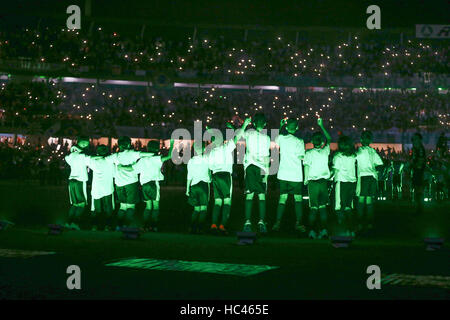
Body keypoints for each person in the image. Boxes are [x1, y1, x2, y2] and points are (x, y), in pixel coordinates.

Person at [207, 118, 251, 235]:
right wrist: (244, 125)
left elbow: (210, 167)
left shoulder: (211, 152)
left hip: (215, 175)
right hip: (225, 175)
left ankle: (213, 224)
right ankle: (222, 226)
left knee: (217, 202)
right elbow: (237, 138)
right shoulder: (226, 148)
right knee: (227, 202)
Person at [110, 136, 153, 229]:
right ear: (129, 144)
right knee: (131, 207)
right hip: (131, 183)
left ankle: (118, 226)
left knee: (122, 206)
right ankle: (126, 225)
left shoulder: (115, 156)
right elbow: (147, 154)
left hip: (119, 183)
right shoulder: (132, 153)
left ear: (119, 145)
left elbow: (104, 159)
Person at [132, 139, 174, 232]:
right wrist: (171, 145)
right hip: (153, 183)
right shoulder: (157, 158)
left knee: (148, 206)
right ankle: (153, 226)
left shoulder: (142, 159)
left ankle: (145, 225)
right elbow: (169, 156)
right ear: (157, 148)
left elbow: (134, 170)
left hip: (144, 184)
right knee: (155, 206)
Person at [273, 118, 306, 233]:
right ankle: (298, 223)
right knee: (298, 200)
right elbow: (302, 157)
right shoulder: (300, 141)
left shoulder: (281, 138)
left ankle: (277, 223)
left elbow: (274, 139)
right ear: (297, 128)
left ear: (287, 128)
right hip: (296, 175)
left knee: (282, 199)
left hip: (283, 174)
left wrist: (280, 126)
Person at [241, 113, 271, 233]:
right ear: (264, 124)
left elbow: (239, 134)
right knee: (261, 195)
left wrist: (244, 123)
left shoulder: (249, 132)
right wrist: (267, 174)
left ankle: (247, 222)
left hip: (250, 166)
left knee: (249, 195)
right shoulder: (267, 138)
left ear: (253, 123)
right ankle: (261, 222)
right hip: (262, 168)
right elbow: (267, 157)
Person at [304, 118, 332, 240]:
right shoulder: (325, 150)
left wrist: (305, 179)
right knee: (322, 208)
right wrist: (321, 125)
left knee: (313, 208)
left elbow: (306, 166)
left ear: (311, 141)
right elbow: (329, 139)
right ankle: (324, 230)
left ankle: (311, 231)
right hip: (323, 182)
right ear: (321, 142)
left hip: (313, 183)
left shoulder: (309, 153)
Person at [355, 131, 384, 231]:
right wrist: (377, 173)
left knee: (361, 201)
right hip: (372, 177)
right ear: (371, 140)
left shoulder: (359, 150)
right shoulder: (373, 151)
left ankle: (359, 222)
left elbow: (353, 158)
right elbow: (380, 164)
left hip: (363, 176)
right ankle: (369, 223)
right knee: (369, 201)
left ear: (361, 140)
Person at [85, 144, 115, 231]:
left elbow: (86, 159)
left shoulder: (93, 161)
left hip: (96, 188)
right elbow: (114, 174)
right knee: (108, 206)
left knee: (96, 208)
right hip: (108, 186)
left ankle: (95, 225)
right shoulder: (110, 161)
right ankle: (107, 226)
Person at [331, 135, 356, 235]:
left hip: (341, 183)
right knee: (348, 207)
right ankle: (351, 229)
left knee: (339, 207)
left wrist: (327, 176)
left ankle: (342, 230)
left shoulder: (338, 156)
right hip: (352, 183)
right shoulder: (353, 156)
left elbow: (334, 170)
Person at [64, 136, 90, 230]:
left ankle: (68, 222)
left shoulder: (71, 155)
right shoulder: (83, 155)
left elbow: (67, 158)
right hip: (80, 180)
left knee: (75, 204)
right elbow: (90, 161)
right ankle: (75, 223)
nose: (86, 145)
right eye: (85, 144)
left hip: (71, 180)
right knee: (81, 204)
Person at [186, 141, 211, 234]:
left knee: (196, 209)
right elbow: (209, 171)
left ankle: (192, 227)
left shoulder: (191, 161)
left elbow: (189, 176)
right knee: (203, 209)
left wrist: (187, 189)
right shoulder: (206, 158)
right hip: (204, 184)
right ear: (204, 149)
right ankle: (200, 228)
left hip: (193, 185)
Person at [410, 133, 426, 213]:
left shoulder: (420, 149)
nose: (414, 140)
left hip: (419, 172)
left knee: (418, 190)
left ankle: (419, 208)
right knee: (417, 190)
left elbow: (420, 161)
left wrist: (414, 165)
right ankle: (418, 207)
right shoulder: (415, 149)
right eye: (413, 139)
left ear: (419, 140)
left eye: (415, 139)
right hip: (417, 171)